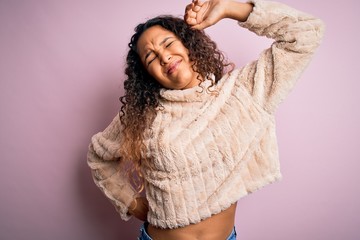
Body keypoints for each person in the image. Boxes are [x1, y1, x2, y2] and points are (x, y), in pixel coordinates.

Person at [87, 0, 324, 239]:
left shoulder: (242, 92)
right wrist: (131, 203)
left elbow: (306, 33)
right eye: (151, 58)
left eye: (168, 44)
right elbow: (99, 157)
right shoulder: (144, 114)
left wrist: (230, 8)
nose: (165, 57)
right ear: (147, 75)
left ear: (188, 43)